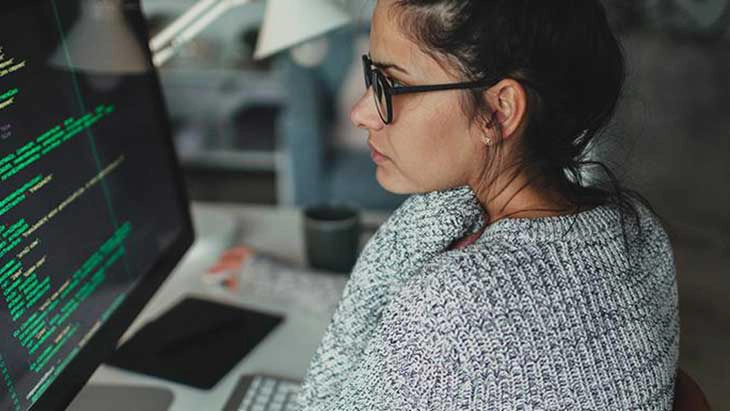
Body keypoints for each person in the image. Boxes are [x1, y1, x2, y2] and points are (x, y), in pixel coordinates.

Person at [209, 0, 680, 409]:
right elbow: (404, 328)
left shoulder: (459, 297)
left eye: (390, 86)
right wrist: (272, 279)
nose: (360, 112)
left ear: (499, 111)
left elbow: (432, 326)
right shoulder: (636, 229)